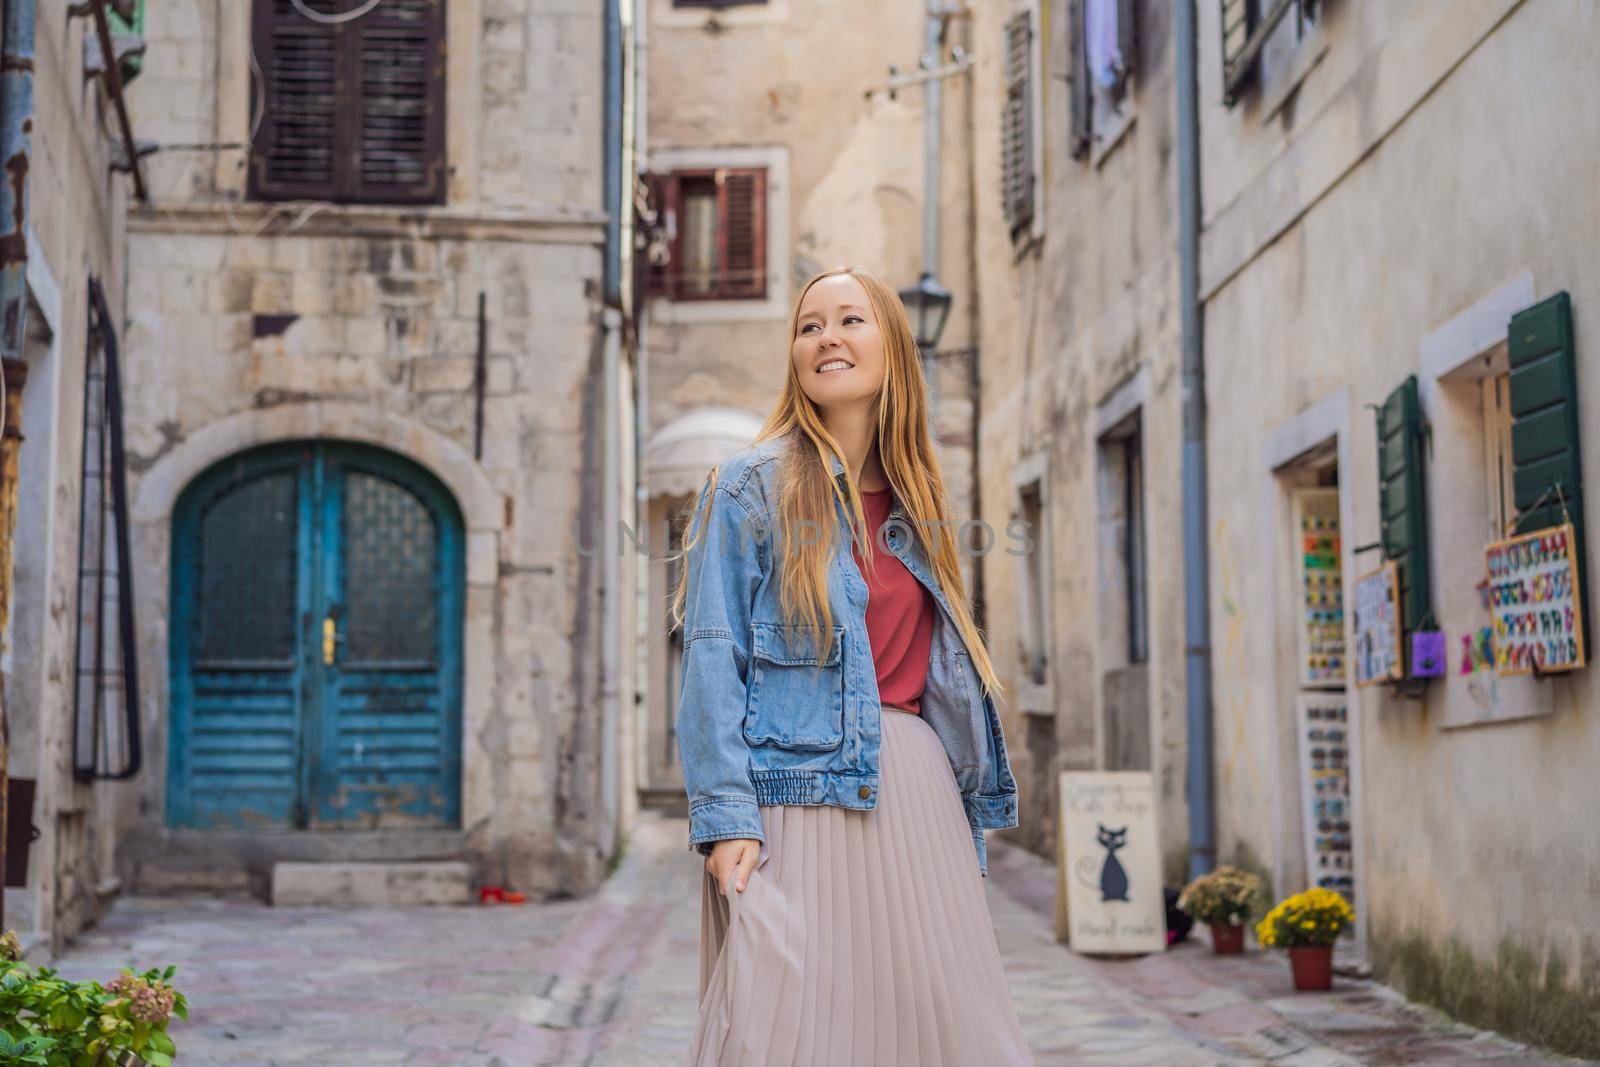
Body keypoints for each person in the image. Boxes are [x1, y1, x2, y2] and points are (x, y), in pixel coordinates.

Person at [673, 266, 1034, 1065]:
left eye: (849, 320)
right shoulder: (747, 488)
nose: (826, 336)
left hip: (919, 800)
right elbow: (711, 654)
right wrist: (726, 817)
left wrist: (967, 817)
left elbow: (939, 678)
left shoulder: (918, 501)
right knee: (788, 1032)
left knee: (942, 1030)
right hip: (795, 803)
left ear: (893, 349)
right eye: (808, 326)